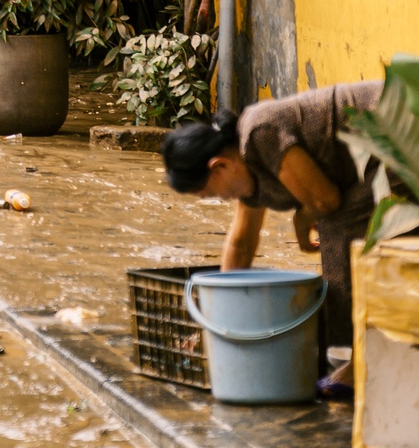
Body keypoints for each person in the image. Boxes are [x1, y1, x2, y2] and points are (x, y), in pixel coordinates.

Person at [162, 83, 382, 370]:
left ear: (220, 167)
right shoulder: (246, 173)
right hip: (367, 164)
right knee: (339, 241)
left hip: (406, 131)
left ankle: (355, 364)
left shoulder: (259, 133)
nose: (220, 199)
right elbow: (241, 244)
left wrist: (301, 220)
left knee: (338, 242)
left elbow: (325, 200)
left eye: (212, 193)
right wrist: (215, 322)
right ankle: (351, 360)